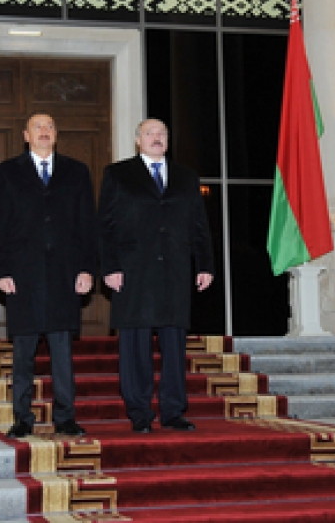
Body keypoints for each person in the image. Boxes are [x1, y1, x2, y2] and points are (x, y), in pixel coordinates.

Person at [97, 118, 214, 433]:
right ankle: (139, 412)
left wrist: (204, 265)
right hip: (132, 273)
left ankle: (173, 411)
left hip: (174, 272)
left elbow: (199, 226)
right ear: (138, 140)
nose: (157, 137)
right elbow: (104, 227)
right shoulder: (118, 174)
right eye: (150, 133)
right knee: (135, 346)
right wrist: (108, 268)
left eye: (162, 132)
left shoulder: (186, 177)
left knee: (174, 345)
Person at [0, 113, 95, 438]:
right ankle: (23, 417)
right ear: (26, 135)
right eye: (38, 127)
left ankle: (65, 417)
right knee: (23, 353)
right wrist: (1, 271)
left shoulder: (76, 172)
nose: (45, 131)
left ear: (56, 134)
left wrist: (88, 269)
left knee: (62, 353)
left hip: (65, 275)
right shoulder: (6, 173)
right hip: (23, 276)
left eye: (50, 126)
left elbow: (86, 226)